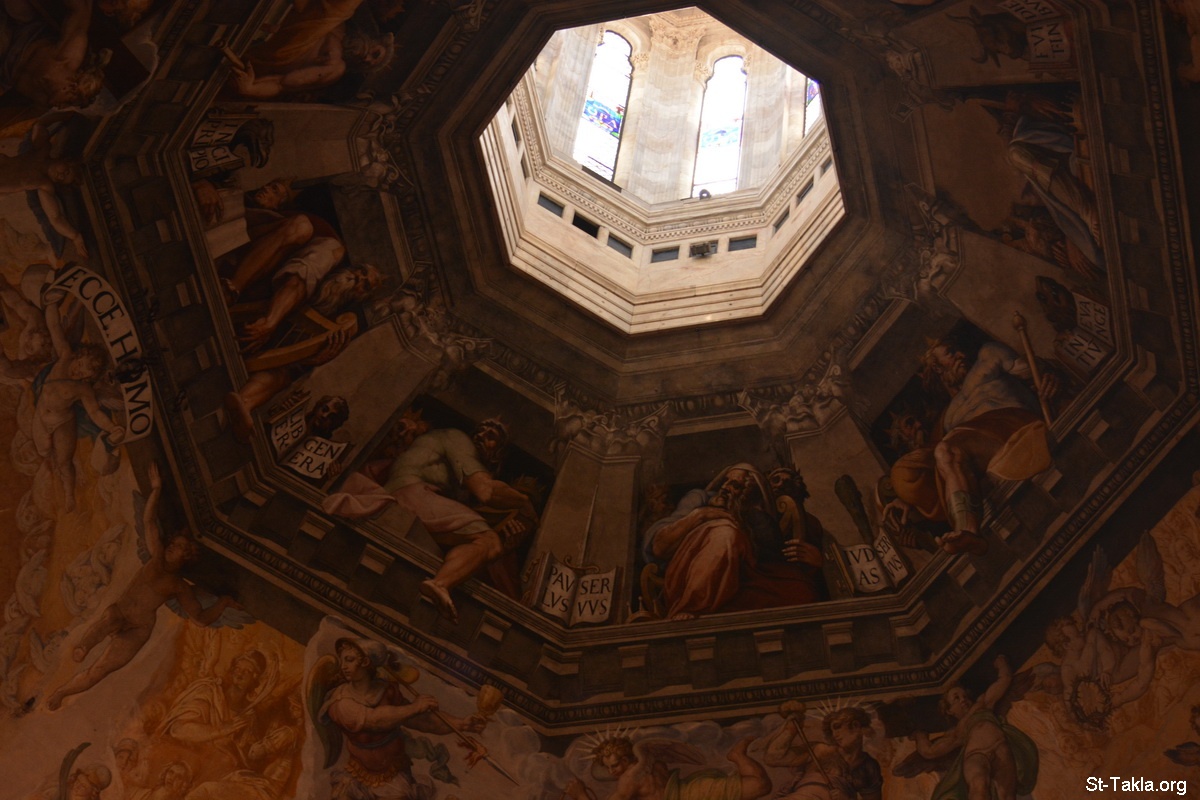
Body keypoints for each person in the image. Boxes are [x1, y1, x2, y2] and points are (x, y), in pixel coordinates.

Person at [45, 464, 241, 710]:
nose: (172, 546)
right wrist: (156, 490)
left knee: (100, 670)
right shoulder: (156, 557)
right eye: (173, 543)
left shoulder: (179, 586)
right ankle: (85, 645)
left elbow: (200, 618)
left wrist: (223, 603)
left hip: (139, 629)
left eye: (179, 547)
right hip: (120, 613)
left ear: (187, 556)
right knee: (110, 617)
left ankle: (62, 693)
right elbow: (148, 521)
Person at [884, 336, 1057, 555]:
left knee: (946, 449)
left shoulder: (988, 357)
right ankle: (968, 533)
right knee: (912, 469)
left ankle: (968, 529)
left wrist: (1047, 372)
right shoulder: (949, 416)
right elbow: (937, 467)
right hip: (982, 446)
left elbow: (1030, 368)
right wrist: (909, 501)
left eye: (958, 349)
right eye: (950, 352)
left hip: (1013, 423)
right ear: (936, 368)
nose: (961, 355)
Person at [380, 420, 536, 622]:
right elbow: (486, 491)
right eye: (480, 430)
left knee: (487, 546)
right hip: (412, 492)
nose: (480, 435)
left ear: (497, 454)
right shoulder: (458, 438)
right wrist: (525, 503)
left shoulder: (456, 475)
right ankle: (440, 584)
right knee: (489, 541)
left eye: (490, 436)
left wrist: (508, 542)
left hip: (411, 493)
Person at [643, 464, 825, 620]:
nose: (725, 487)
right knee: (726, 533)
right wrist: (701, 515)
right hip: (689, 579)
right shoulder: (700, 498)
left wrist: (814, 564)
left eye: (735, 486)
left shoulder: (757, 517)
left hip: (735, 582)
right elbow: (659, 547)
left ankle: (717, 610)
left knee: (802, 592)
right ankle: (691, 606)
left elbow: (774, 560)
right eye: (726, 481)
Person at [316, 637, 485, 799]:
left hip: (394, 774)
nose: (343, 666)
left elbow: (420, 720)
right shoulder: (339, 700)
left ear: (366, 662)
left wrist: (461, 724)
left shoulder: (387, 691)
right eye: (342, 660)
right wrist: (415, 707)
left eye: (349, 660)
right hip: (356, 775)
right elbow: (373, 720)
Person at [31, 297, 124, 512]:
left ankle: (69, 496)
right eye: (80, 365)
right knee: (43, 450)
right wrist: (51, 304)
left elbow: (95, 412)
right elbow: (54, 327)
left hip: (63, 421)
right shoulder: (65, 356)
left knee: (64, 461)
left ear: (88, 378)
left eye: (84, 374)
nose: (78, 372)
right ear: (79, 356)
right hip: (41, 417)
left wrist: (111, 427)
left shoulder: (83, 389)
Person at [912, 657, 1038, 800]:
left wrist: (1000, 662)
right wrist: (920, 735)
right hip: (976, 755)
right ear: (949, 710)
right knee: (979, 789)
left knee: (1007, 795)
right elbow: (929, 752)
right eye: (956, 698)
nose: (963, 699)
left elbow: (1004, 679)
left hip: (1000, 747)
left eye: (964, 695)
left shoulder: (983, 704)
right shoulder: (956, 732)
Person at [227, 0, 395, 99]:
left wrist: (250, 89)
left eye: (367, 64)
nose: (366, 59)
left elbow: (281, 84)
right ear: (374, 39)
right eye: (375, 54)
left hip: (263, 51)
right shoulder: (339, 25)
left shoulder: (335, 67)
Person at [564, 734, 770, 800]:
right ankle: (738, 756)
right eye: (608, 768)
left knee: (760, 786)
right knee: (760, 785)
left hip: (688, 794)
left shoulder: (629, 779)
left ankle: (737, 756)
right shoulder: (647, 758)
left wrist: (581, 794)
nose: (612, 772)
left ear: (626, 759)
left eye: (615, 765)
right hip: (687, 790)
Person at [1, 0, 110, 110]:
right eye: (68, 102)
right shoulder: (67, 58)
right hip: (24, 31)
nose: (61, 107)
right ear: (71, 87)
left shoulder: (43, 100)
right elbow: (81, 11)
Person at [764, 702, 882, 800]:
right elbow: (773, 758)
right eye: (832, 730)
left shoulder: (869, 766)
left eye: (837, 727)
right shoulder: (820, 750)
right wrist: (791, 729)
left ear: (856, 726)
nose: (835, 734)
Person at [0, 131, 87, 259]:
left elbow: (55, 217)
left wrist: (75, 236)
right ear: (65, 160)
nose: (61, 176)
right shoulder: (43, 150)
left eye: (62, 180)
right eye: (67, 171)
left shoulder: (44, 184)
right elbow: (40, 126)